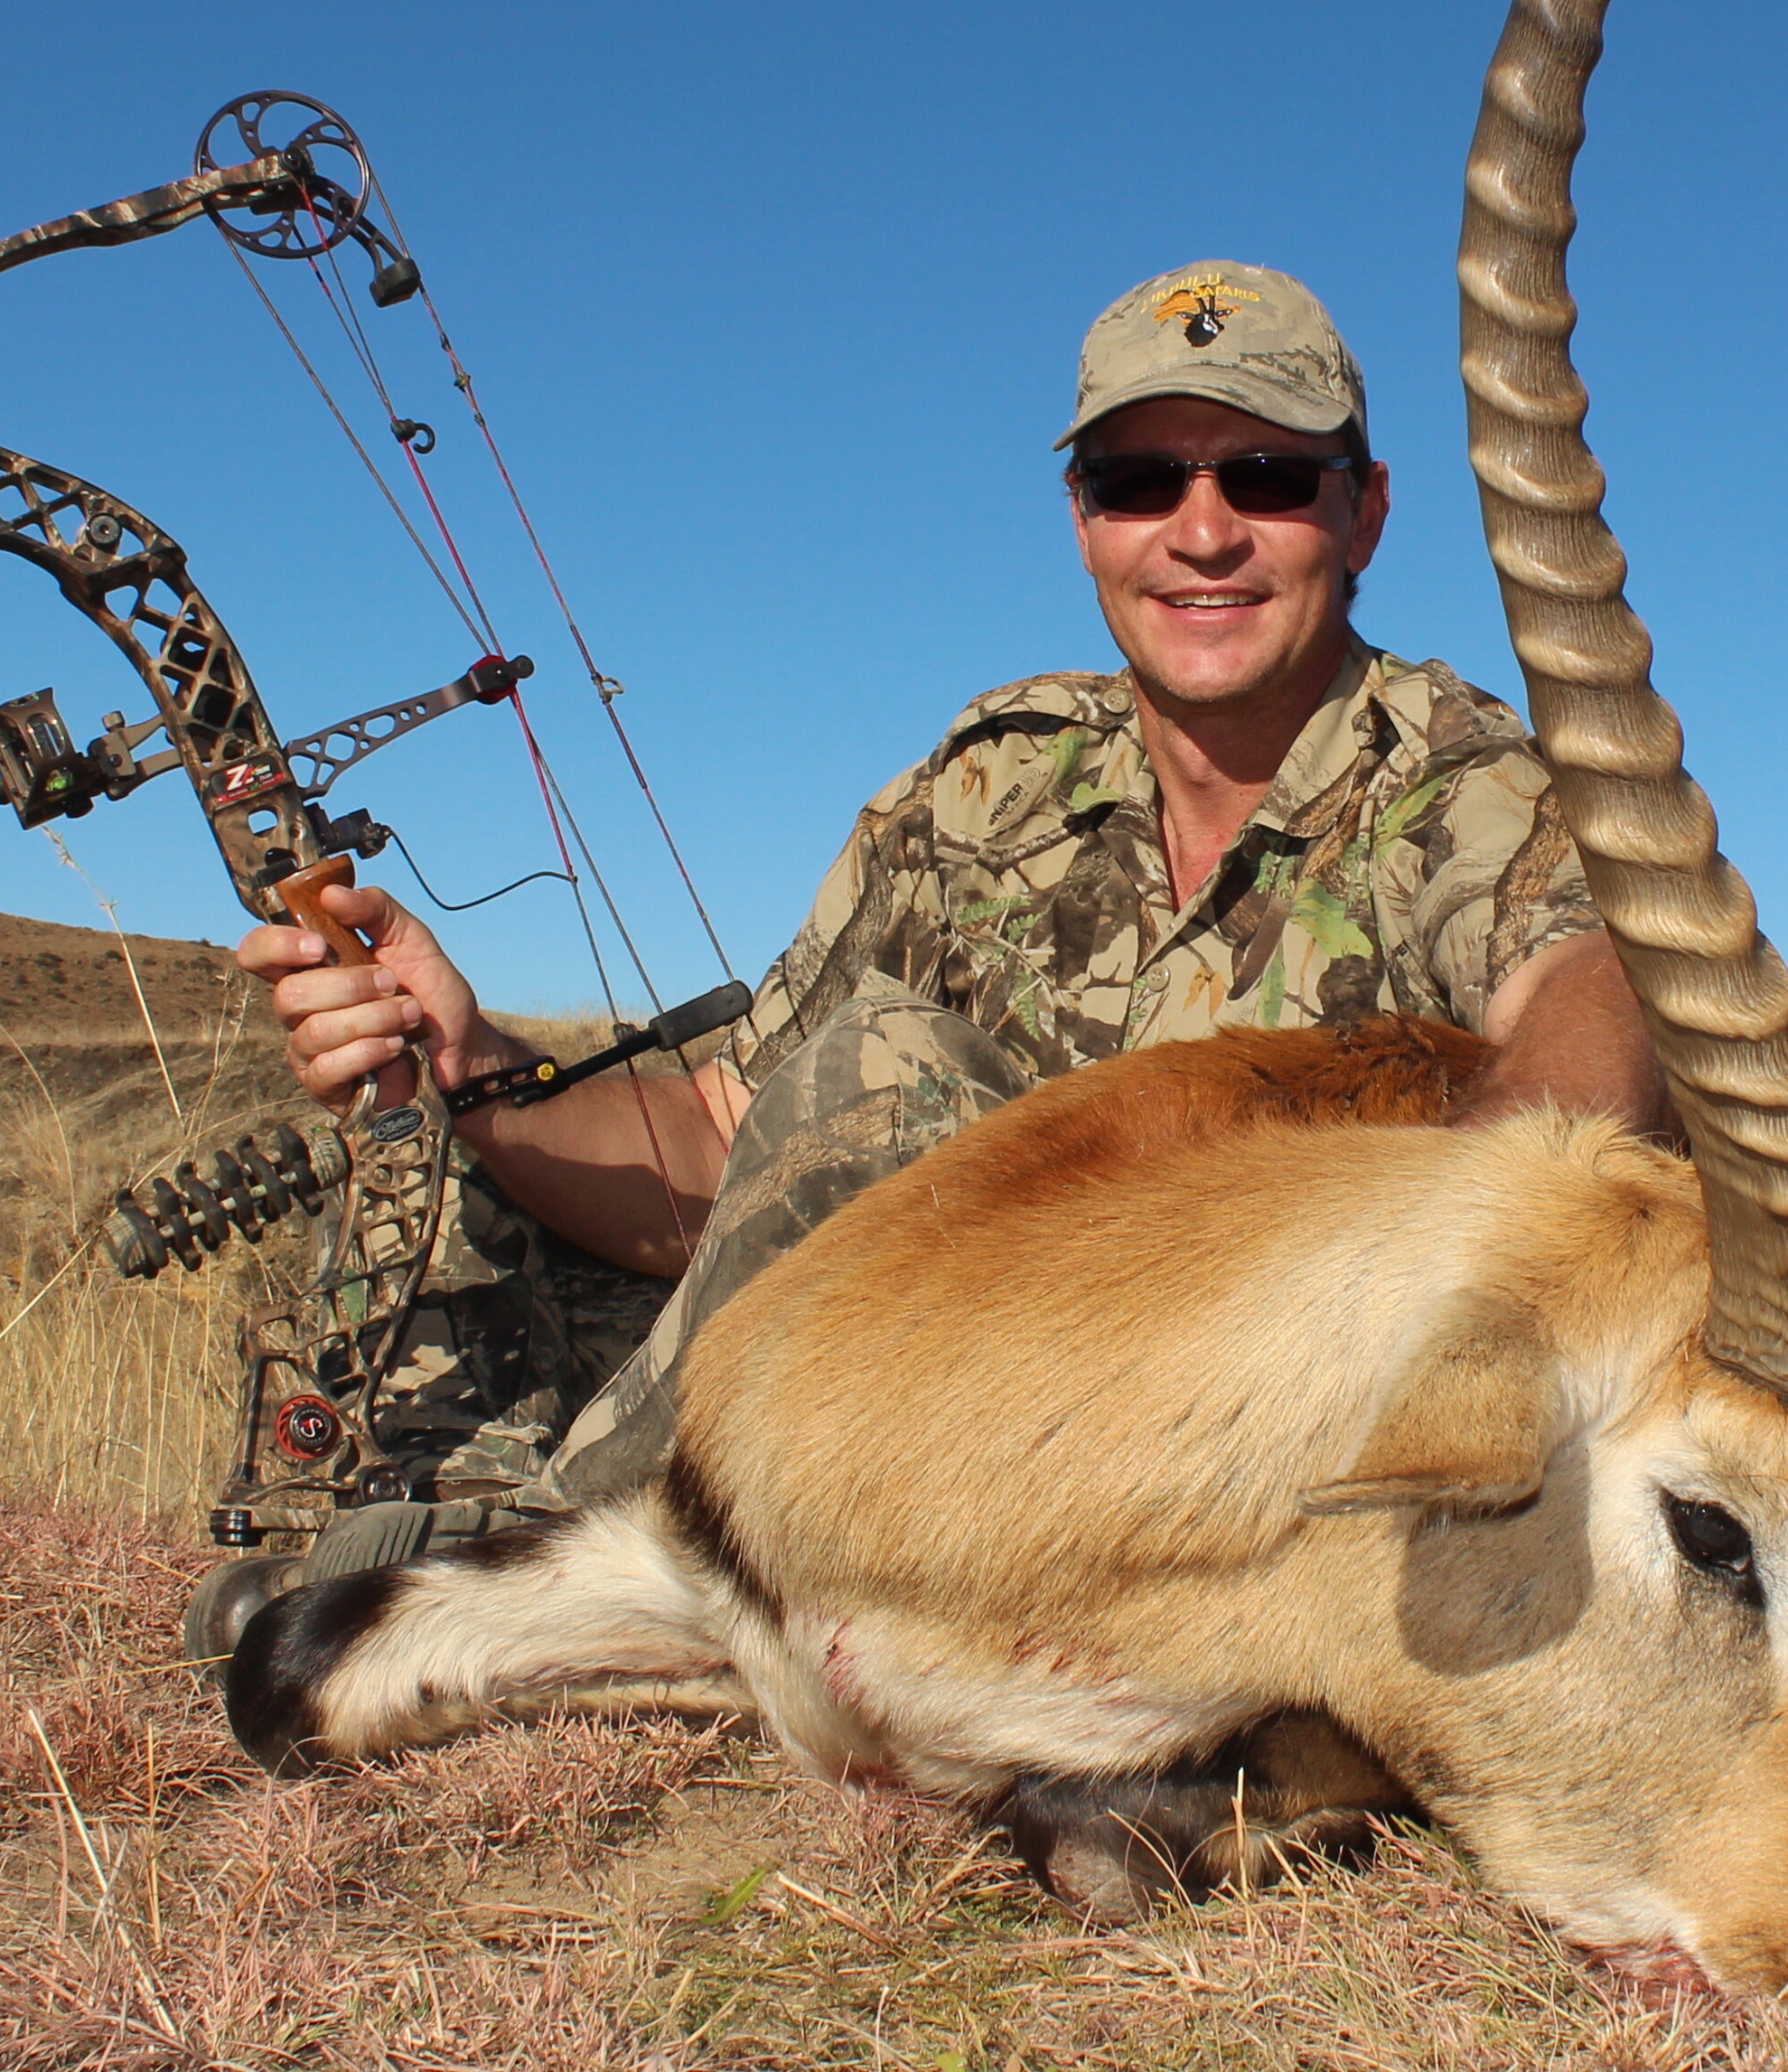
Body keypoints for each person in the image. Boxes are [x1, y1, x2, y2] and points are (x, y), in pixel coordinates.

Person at [238, 260, 1665, 1572]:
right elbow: (739, 1142)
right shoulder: (989, 785)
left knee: (892, 1067)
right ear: (1085, 524)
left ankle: (548, 1574)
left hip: (1247, 1450)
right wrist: (475, 1061)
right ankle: (401, 1513)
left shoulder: (1463, 780)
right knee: (435, 1124)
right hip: (943, 1404)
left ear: (1365, 513)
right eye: (1140, 481)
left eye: (1271, 478)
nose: (1205, 532)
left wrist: (1455, 1272)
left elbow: (1587, 990)